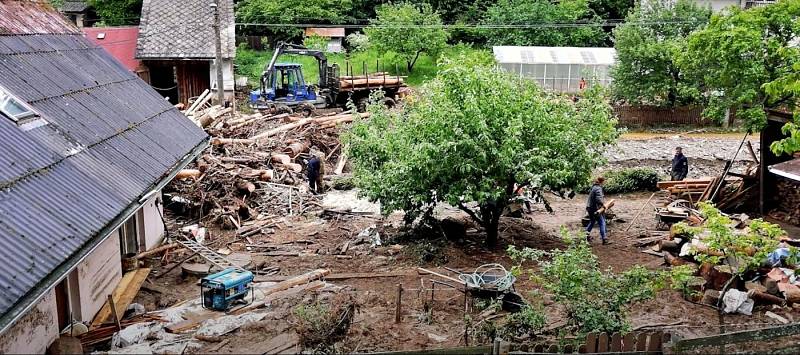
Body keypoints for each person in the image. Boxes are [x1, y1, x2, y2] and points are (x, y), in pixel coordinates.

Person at [585, 177, 609, 245]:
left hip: (589, 207)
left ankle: (586, 236)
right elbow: (598, 199)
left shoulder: (594, 187)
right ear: (602, 182)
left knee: (592, 222)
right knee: (602, 223)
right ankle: (604, 239)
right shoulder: (598, 188)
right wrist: (603, 205)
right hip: (595, 209)